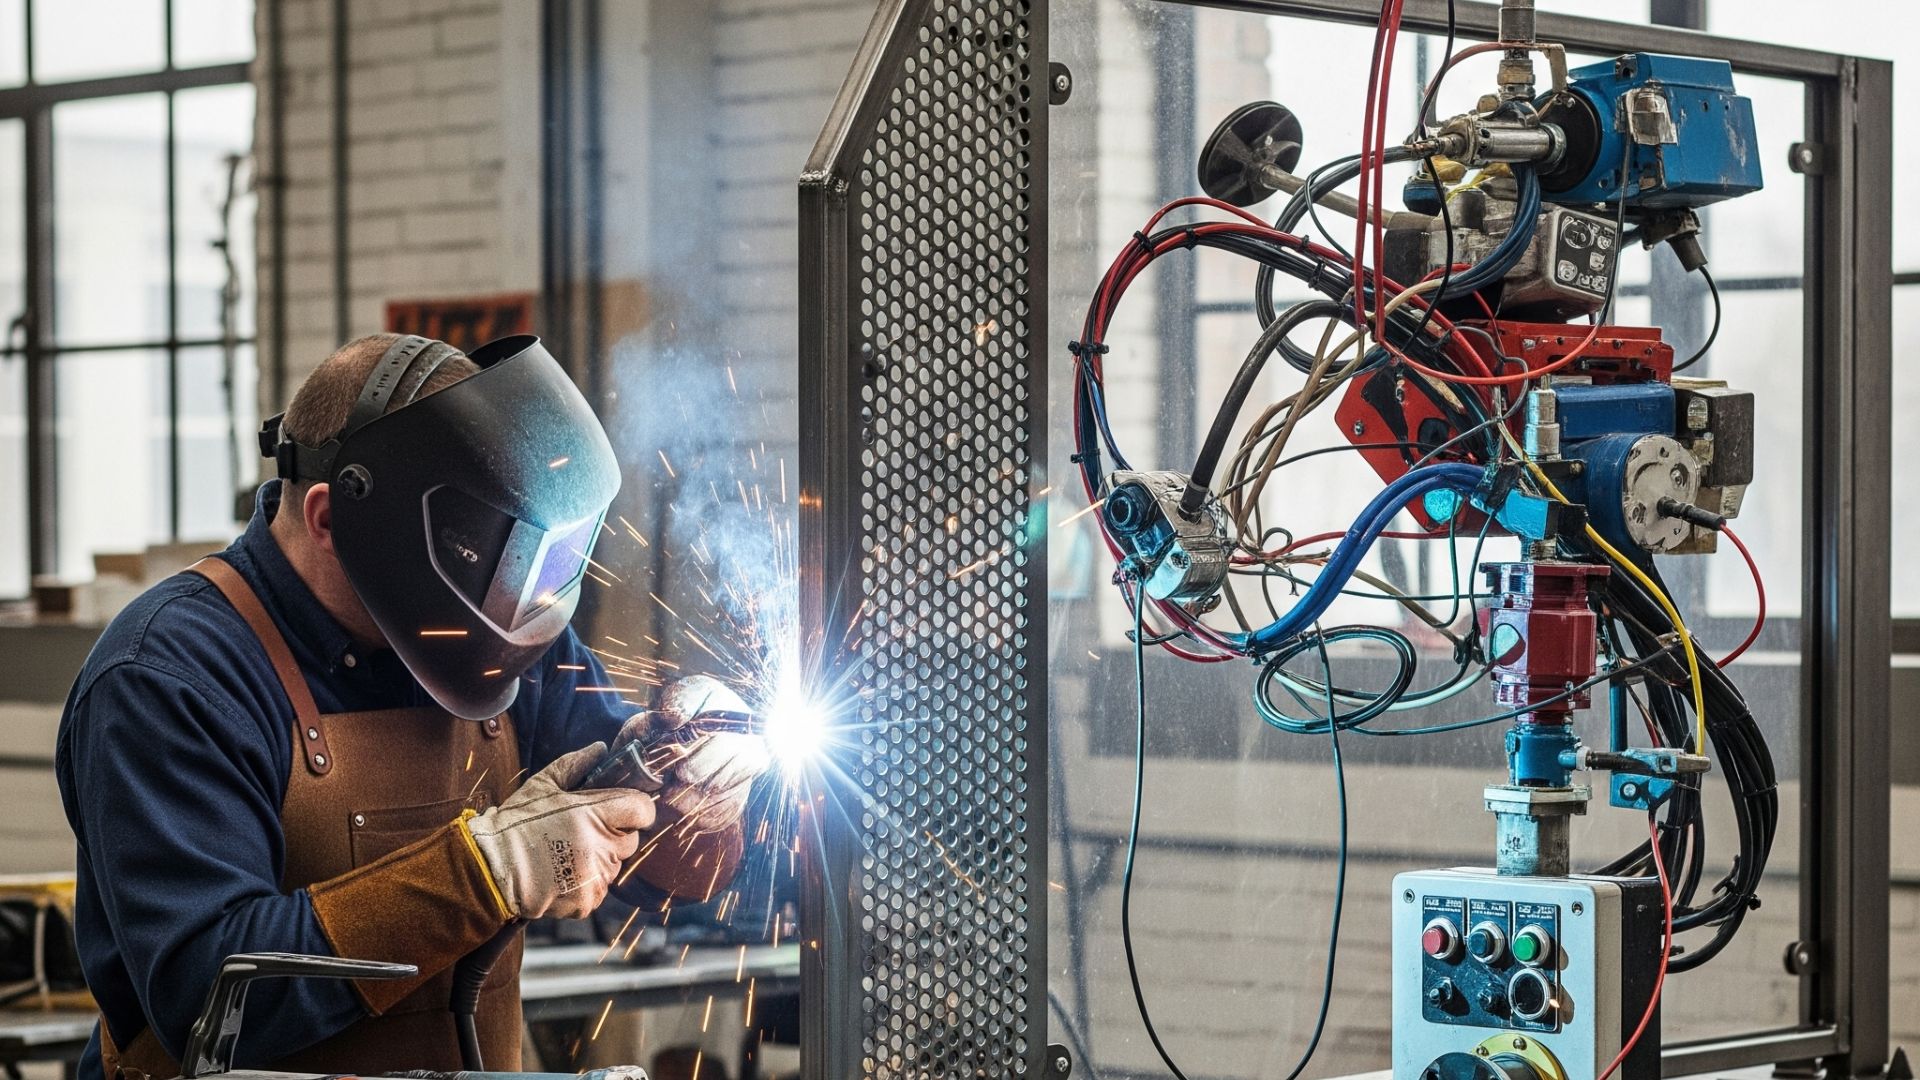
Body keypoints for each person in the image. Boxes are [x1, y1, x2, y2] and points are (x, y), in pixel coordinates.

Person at [54, 333, 767, 1080]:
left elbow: (663, 881)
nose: (507, 595)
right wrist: (483, 874)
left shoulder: (504, 639)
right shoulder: (172, 675)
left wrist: (700, 800)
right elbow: (211, 1001)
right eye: (477, 559)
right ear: (331, 520)